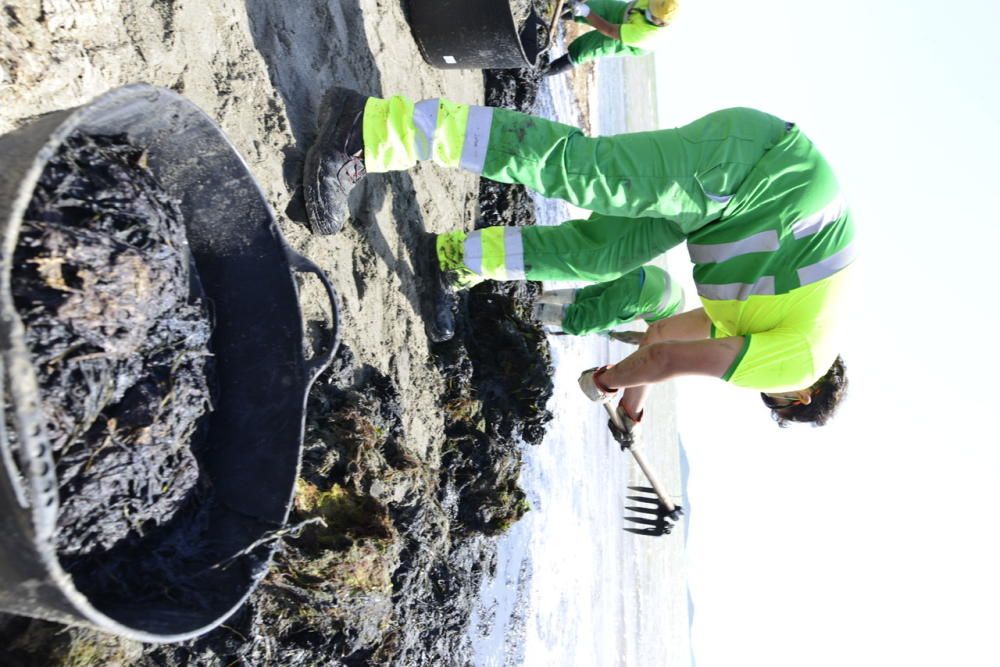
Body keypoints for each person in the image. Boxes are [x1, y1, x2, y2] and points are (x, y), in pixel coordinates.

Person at [302, 88, 855, 431]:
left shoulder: (780, 320)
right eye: (774, 401)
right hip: (754, 172)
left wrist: (631, 408)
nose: (766, 389)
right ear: (803, 395)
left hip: (735, 196)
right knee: (582, 172)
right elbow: (661, 362)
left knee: (601, 255)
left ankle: (455, 257)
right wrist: (604, 382)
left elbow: (662, 338)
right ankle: (373, 128)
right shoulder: (801, 361)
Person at [533, 264, 684, 336]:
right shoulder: (668, 324)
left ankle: (536, 296)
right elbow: (631, 320)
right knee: (582, 321)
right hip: (640, 293)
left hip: (640, 272)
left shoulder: (679, 301)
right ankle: (530, 310)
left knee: (586, 297)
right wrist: (609, 333)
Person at [545, 0, 679, 77]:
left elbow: (609, 30)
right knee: (586, 5)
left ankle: (541, 72)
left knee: (584, 49)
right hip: (624, 11)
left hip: (623, 40)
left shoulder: (648, 35)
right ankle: (546, 13)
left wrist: (586, 12)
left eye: (651, 13)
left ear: (661, 22)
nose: (648, 7)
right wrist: (584, 8)